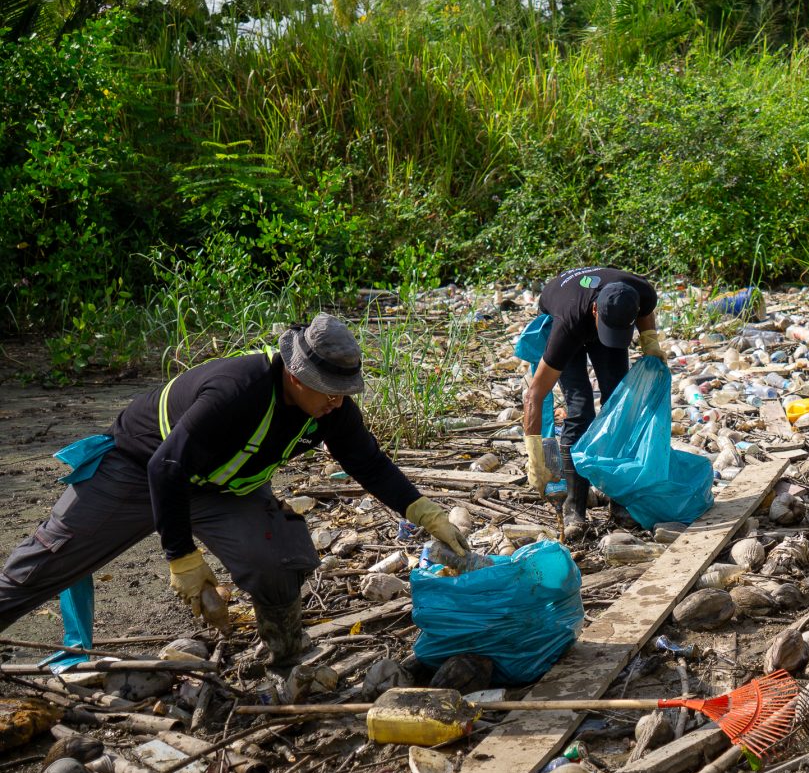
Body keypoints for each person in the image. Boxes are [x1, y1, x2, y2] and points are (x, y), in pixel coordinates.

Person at [0, 314, 470, 672]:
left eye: (344, 390)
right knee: (47, 562)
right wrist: (183, 558)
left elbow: (367, 462)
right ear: (296, 374)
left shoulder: (332, 410)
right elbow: (166, 467)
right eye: (329, 389)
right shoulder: (237, 390)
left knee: (277, 559)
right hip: (139, 468)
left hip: (223, 487)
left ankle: (287, 653)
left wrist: (423, 511)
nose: (337, 400)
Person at [522, 266, 664, 540]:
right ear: (596, 310)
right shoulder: (567, 325)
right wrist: (535, 455)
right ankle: (574, 505)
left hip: (605, 314)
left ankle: (619, 499)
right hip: (566, 313)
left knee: (618, 404)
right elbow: (534, 395)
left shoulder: (641, 291)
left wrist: (650, 342)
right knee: (580, 409)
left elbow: (646, 312)